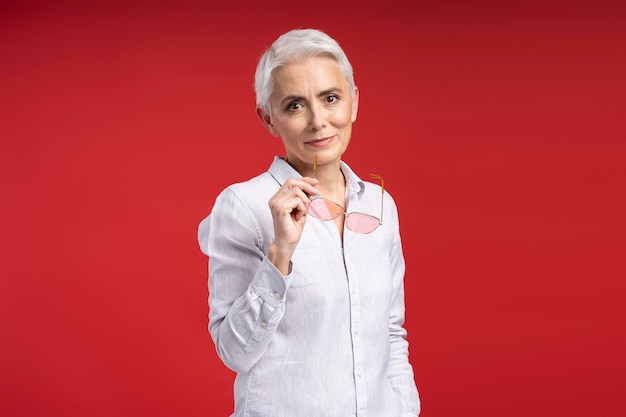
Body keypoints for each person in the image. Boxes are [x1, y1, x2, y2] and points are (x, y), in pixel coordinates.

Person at [198, 28, 420, 417]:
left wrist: (405, 409)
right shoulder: (244, 206)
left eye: (330, 98)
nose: (319, 121)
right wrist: (280, 254)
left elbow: (391, 333)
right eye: (295, 105)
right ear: (269, 119)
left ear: (353, 103)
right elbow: (234, 351)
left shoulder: (381, 205)